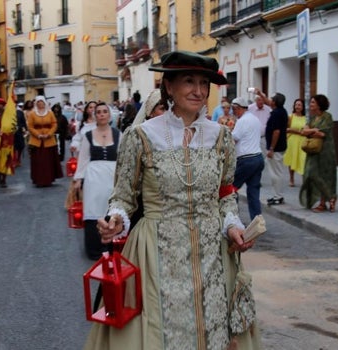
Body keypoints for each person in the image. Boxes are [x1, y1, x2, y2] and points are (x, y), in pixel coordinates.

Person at [85, 51, 261, 350]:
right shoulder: (140, 137)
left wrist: (232, 225)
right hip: (156, 252)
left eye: (204, 83)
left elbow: (226, 193)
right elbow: (124, 195)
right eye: (189, 81)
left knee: (213, 329)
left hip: (212, 257)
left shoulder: (221, 138)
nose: (199, 91)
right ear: (168, 86)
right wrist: (116, 218)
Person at [72, 103, 120, 260]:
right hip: (94, 177)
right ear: (95, 115)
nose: (101, 114)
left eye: (105, 111)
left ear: (109, 115)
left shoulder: (119, 134)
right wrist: (79, 178)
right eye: (98, 112)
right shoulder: (88, 135)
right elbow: (83, 158)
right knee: (93, 209)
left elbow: (123, 158)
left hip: (112, 176)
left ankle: (113, 247)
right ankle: (95, 249)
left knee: (112, 209)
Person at [299, 94, 338, 212]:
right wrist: (313, 131)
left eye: (312, 102)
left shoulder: (327, 117)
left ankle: (324, 202)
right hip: (313, 151)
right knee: (311, 174)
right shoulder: (312, 118)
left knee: (324, 176)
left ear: (319, 104)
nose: (310, 105)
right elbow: (303, 131)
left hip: (325, 152)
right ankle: (330, 197)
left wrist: (310, 132)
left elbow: (323, 133)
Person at [231, 97, 264, 222]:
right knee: (253, 191)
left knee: (231, 188)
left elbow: (235, 137)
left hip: (246, 159)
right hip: (258, 158)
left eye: (234, 109)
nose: (234, 112)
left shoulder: (242, 121)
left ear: (240, 108)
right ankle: (257, 221)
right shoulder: (254, 119)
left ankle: (233, 219)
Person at [27, 96, 63, 187]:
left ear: (44, 103)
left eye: (41, 102)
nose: (40, 104)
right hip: (37, 141)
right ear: (36, 103)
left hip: (49, 140)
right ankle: (39, 180)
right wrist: (37, 134)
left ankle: (48, 179)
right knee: (38, 162)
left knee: (48, 161)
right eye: (38, 102)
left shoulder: (50, 113)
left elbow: (54, 124)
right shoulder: (32, 114)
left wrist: (49, 134)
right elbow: (30, 126)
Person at [261, 92, 288, 205]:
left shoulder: (276, 114)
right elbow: (267, 102)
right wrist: (260, 94)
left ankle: (278, 196)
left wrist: (271, 148)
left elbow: (276, 131)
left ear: (275, 102)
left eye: (272, 99)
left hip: (276, 148)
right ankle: (277, 194)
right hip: (280, 146)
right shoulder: (281, 111)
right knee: (277, 171)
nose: (269, 101)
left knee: (276, 173)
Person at [283, 99, 307, 187]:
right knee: (292, 160)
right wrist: (297, 131)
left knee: (303, 159)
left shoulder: (306, 118)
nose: (297, 107)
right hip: (292, 141)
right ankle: (291, 178)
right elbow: (286, 129)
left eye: (299, 105)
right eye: (296, 105)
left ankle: (304, 179)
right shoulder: (290, 117)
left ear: (303, 107)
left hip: (303, 141)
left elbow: (306, 130)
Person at [0, 97, 15, 188]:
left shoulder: (9, 115)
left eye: (0, 104)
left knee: (6, 159)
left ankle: (3, 179)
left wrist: (10, 131)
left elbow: (14, 126)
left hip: (7, 140)